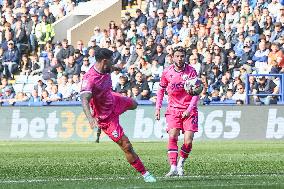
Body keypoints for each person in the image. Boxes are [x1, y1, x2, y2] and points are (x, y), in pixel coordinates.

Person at [80, 48, 156, 182]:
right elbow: (84, 99)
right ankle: (145, 173)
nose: (112, 63)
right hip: (105, 117)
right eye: (111, 60)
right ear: (104, 61)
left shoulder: (106, 68)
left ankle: (116, 114)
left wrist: (123, 67)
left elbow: (115, 67)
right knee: (126, 145)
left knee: (134, 104)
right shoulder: (90, 79)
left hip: (114, 99)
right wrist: (90, 119)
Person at [155, 47, 199, 177]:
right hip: (173, 109)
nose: (180, 59)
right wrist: (157, 108)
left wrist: (189, 109)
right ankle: (173, 166)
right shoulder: (167, 72)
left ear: (185, 57)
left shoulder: (191, 71)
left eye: (182, 56)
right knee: (173, 136)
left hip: (189, 110)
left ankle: (180, 163)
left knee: (188, 141)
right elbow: (161, 90)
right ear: (173, 57)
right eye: (177, 56)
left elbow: (196, 93)